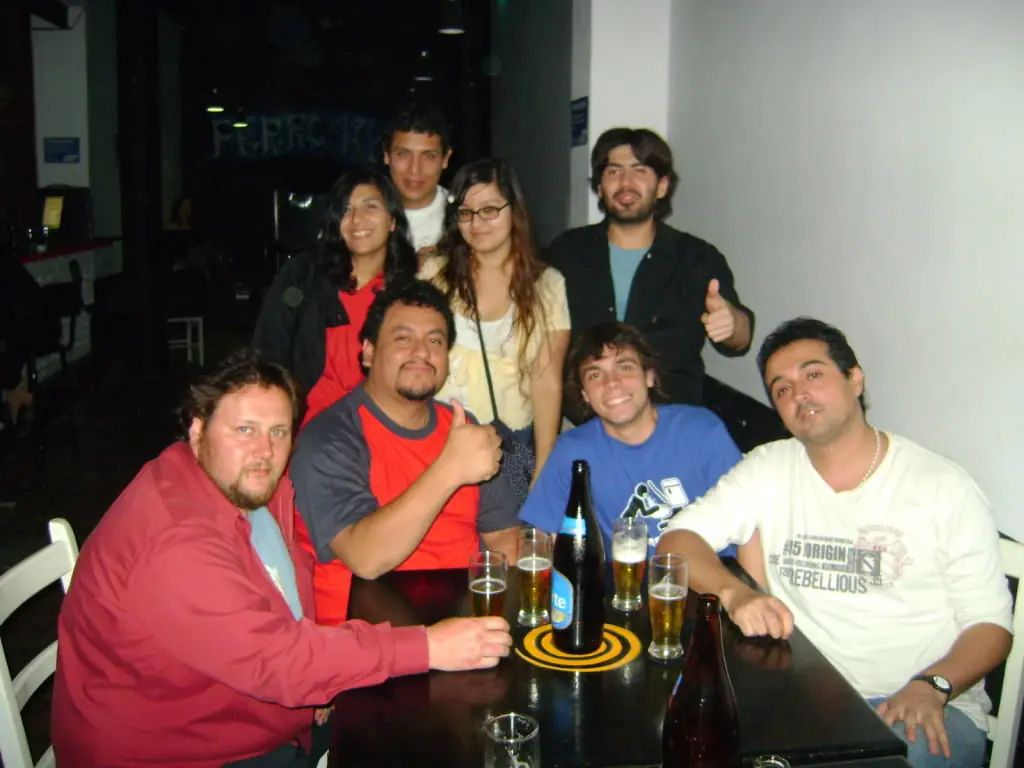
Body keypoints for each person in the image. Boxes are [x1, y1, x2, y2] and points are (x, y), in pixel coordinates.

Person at [51, 350, 513, 768]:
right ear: (197, 429)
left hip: (237, 709)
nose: (264, 452)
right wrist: (428, 646)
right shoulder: (178, 541)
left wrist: (320, 682)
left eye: (278, 431)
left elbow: (285, 605)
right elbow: (282, 666)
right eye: (244, 430)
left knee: (414, 731)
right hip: (177, 751)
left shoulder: (240, 487)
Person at [657, 318, 1012, 768]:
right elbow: (676, 542)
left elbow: (990, 625)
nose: (798, 394)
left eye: (813, 374)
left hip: (919, 702)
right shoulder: (769, 467)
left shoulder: (941, 485)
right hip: (804, 696)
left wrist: (933, 685)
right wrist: (735, 592)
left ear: (855, 379)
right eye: (782, 388)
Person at [289, 280, 521, 625]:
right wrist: (450, 468)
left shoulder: (463, 428)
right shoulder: (330, 436)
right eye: (403, 338)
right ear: (368, 352)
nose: (422, 352)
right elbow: (365, 558)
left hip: (464, 621)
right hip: (367, 635)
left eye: (435, 341)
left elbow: (502, 535)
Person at [545, 127, 753, 420]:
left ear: (662, 186)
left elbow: (741, 338)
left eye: (640, 170)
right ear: (600, 187)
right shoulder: (566, 253)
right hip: (586, 423)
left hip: (670, 422)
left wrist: (731, 324)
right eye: (613, 171)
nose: (626, 182)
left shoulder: (696, 258)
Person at [519, 321, 742, 559]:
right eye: (595, 375)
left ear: (649, 376)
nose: (611, 382)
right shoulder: (573, 450)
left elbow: (750, 521)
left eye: (624, 367)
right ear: (585, 394)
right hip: (626, 578)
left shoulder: (701, 431)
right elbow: (537, 536)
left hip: (712, 573)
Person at [419, 158, 570, 488]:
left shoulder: (547, 285)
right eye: (465, 212)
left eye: (489, 210)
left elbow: (546, 380)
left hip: (507, 442)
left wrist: (544, 467)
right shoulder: (434, 274)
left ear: (514, 211)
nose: (477, 223)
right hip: (437, 435)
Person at [252, 169, 418, 424]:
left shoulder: (406, 292)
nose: (357, 219)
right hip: (305, 426)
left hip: (377, 427)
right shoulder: (304, 275)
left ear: (393, 220)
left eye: (370, 206)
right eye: (346, 209)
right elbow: (267, 351)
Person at [383, 102, 452, 257]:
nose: (415, 169)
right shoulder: (362, 220)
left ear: (445, 159)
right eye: (403, 154)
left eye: (429, 156)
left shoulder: (464, 221)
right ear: (386, 155)